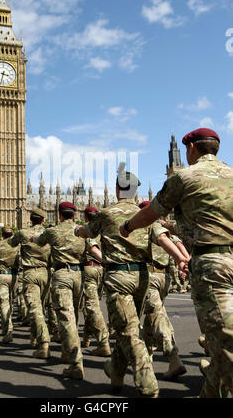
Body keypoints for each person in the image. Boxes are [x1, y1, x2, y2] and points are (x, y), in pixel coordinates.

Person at [120, 128, 233, 398]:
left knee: (225, 341)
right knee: (219, 341)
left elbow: (151, 213)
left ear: (191, 149)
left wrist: (128, 225)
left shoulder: (185, 177)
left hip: (212, 265)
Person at [75, 166, 189, 397]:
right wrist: (180, 258)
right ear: (136, 191)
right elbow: (162, 238)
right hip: (142, 279)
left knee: (127, 331)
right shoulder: (145, 214)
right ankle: (115, 372)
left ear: (117, 190)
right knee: (127, 324)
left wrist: (77, 230)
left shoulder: (106, 214)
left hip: (119, 278)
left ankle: (148, 384)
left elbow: (87, 232)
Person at [30, 202, 86, 379]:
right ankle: (65, 351)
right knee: (74, 316)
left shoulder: (53, 231)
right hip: (80, 276)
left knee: (65, 316)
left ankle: (76, 363)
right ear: (75, 215)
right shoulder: (83, 231)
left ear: (59, 215)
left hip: (62, 274)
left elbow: (39, 242)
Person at [138, 200, 187, 380]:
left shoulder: (143, 228)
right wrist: (184, 259)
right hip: (164, 277)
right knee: (152, 317)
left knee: (157, 315)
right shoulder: (162, 227)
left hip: (150, 276)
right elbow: (178, 242)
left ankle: (174, 358)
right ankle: (147, 354)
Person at [11, 207, 52, 358]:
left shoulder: (23, 233)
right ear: (43, 219)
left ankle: (44, 343)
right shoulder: (50, 233)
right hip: (46, 274)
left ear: (30, 218)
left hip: (30, 274)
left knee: (35, 309)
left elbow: (11, 244)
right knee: (40, 308)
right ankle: (34, 338)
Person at [81, 206, 111, 357]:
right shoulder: (104, 232)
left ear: (86, 218)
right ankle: (86, 338)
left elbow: (93, 250)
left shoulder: (89, 232)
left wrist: (106, 261)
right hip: (101, 271)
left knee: (92, 306)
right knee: (91, 303)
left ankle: (103, 342)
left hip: (91, 269)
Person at [0, 226, 20, 343]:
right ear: (12, 234)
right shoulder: (18, 246)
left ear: (2, 234)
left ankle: (7, 332)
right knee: (11, 302)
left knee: (4, 303)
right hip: (15, 276)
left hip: (2, 276)